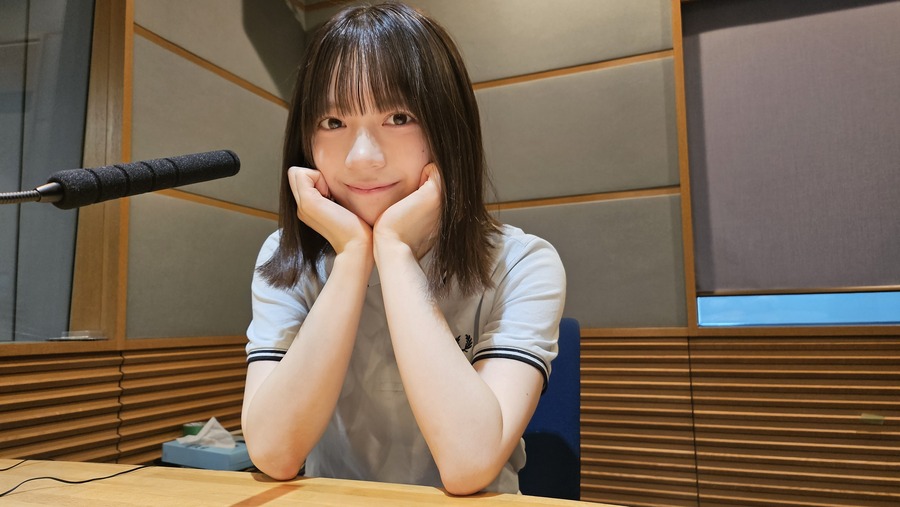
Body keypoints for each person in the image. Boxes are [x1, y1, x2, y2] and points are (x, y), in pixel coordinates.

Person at [241, 1, 566, 496]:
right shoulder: (287, 260)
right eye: (332, 121)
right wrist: (353, 256)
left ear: (448, 128)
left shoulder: (522, 264)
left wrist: (393, 251)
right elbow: (273, 452)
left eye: (398, 116)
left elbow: (468, 464)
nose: (362, 158)